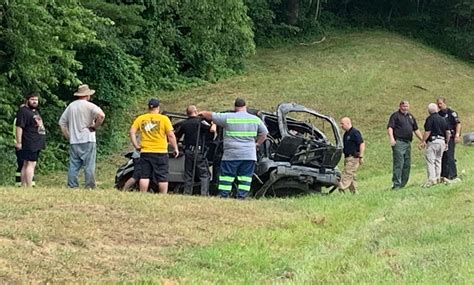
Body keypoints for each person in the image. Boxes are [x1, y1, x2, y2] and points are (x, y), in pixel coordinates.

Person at [199, 98, 268, 199]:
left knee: (227, 176)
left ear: (235, 107)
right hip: (249, 155)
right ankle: (241, 197)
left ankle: (223, 196)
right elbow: (264, 133)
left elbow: (211, 115)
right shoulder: (255, 119)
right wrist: (257, 144)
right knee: (245, 177)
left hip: (231, 154)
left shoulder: (228, 117)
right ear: (245, 106)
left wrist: (201, 113)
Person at [59, 84, 105, 189]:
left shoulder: (71, 106)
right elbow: (101, 115)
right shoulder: (90, 106)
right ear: (87, 95)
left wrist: (68, 136)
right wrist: (95, 126)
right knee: (89, 164)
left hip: (74, 140)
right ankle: (89, 186)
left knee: (74, 165)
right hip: (88, 138)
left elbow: (62, 123)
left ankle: (72, 185)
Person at [129, 98, 179, 193]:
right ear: (158, 108)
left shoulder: (141, 118)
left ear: (148, 108)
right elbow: (171, 135)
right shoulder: (164, 119)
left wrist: (136, 145)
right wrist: (175, 148)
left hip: (146, 151)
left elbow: (132, 132)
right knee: (162, 176)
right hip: (160, 152)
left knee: (144, 176)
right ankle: (163, 196)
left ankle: (142, 194)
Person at [175, 105, 216, 196]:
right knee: (204, 175)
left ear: (187, 113)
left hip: (188, 151)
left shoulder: (184, 123)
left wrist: (177, 146)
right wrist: (213, 123)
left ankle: (187, 192)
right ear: (196, 112)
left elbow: (177, 136)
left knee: (188, 174)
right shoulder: (201, 122)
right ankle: (204, 194)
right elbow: (212, 130)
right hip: (198, 152)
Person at [387, 100, 423, 190]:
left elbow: (416, 129)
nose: (405, 108)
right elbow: (390, 127)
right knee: (399, 163)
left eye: (407, 106)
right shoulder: (395, 116)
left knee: (407, 164)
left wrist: (423, 140)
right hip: (399, 142)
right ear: (400, 106)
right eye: (404, 106)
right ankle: (396, 184)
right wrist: (391, 138)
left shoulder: (410, 117)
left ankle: (403, 184)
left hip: (408, 143)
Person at [15, 92, 46, 187]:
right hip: (29, 142)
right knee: (30, 164)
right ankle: (29, 186)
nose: (35, 102)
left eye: (36, 100)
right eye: (32, 99)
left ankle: (24, 186)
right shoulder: (23, 111)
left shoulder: (34, 111)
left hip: (36, 142)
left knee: (26, 163)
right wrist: (19, 142)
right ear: (27, 100)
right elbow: (19, 127)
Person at [419, 103, 450, 188]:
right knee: (438, 160)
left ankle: (431, 179)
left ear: (429, 111)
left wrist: (422, 141)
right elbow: (448, 132)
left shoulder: (430, 119)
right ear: (436, 109)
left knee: (430, 161)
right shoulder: (443, 119)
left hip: (433, 141)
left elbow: (427, 132)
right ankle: (437, 178)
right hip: (442, 141)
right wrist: (446, 142)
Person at [436, 97, 461, 182]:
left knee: (450, 156)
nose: (439, 105)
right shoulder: (438, 114)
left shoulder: (451, 113)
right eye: (438, 104)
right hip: (442, 138)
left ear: (444, 103)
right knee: (443, 157)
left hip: (450, 138)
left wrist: (457, 135)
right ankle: (444, 175)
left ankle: (453, 175)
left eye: (440, 103)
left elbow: (458, 124)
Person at [338, 117, 365, 194]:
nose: (341, 125)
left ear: (348, 123)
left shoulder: (355, 132)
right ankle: (355, 193)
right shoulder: (346, 134)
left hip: (353, 157)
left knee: (347, 173)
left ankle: (341, 188)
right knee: (352, 176)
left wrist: (361, 156)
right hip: (347, 158)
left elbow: (362, 144)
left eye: (342, 123)